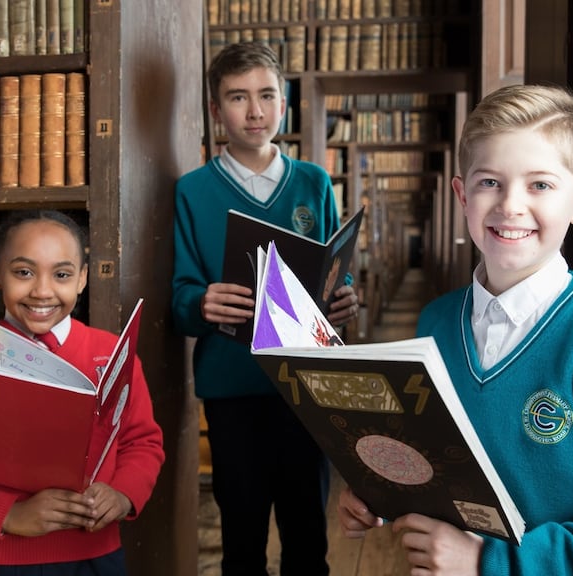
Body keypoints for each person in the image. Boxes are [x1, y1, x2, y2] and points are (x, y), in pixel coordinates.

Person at [337, 84, 573, 575]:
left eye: (540, 185)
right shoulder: (435, 322)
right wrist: (379, 492)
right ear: (462, 194)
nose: (510, 206)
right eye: (489, 183)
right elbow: (432, 459)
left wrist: (491, 562)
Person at [172, 41, 358, 576]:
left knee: (307, 535)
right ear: (215, 111)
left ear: (284, 104)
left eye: (266, 96)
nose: (254, 111)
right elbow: (180, 297)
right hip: (232, 389)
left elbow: (333, 273)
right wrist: (201, 301)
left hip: (306, 385)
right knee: (242, 537)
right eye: (237, 97)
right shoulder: (193, 191)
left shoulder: (314, 183)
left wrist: (342, 299)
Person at [0, 209, 165, 575]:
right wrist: (8, 514)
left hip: (96, 556)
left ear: (83, 279)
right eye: (23, 272)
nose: (42, 291)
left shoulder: (113, 354)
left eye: (62, 274)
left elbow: (142, 442)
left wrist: (122, 494)